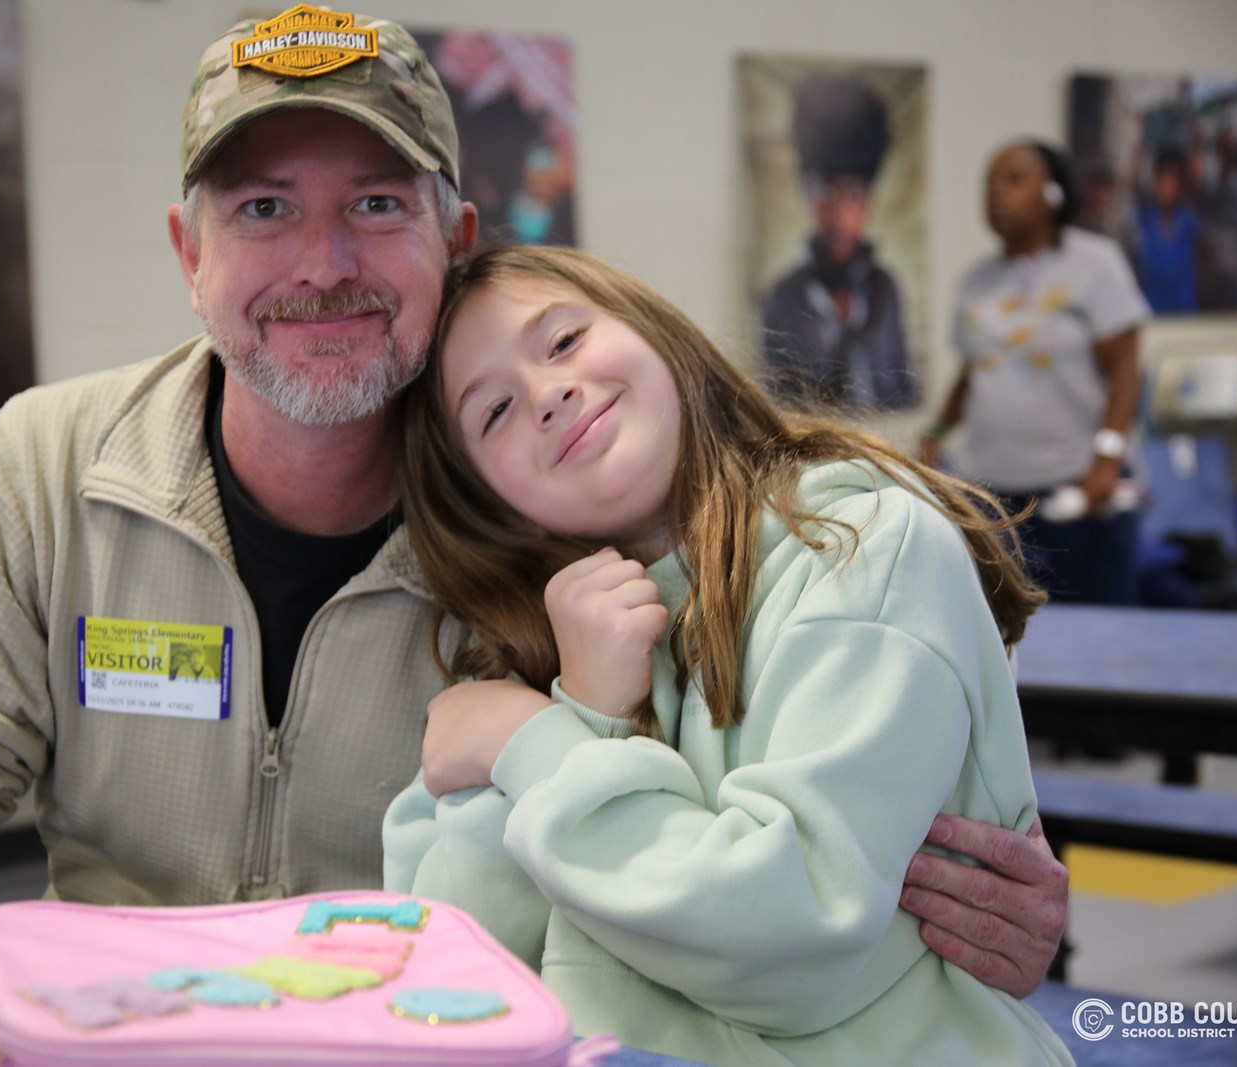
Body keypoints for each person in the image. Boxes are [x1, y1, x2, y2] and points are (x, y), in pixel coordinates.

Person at [0, 11, 1068, 1065]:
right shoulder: (44, 468)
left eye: (378, 203)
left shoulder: (551, 532)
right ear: (186, 251)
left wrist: (947, 896)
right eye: (262, 208)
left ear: (458, 236)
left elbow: (730, 846)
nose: (321, 260)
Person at [384, 243, 1071, 1065]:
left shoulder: (862, 546)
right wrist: (582, 709)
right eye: (492, 411)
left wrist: (536, 746)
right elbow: (443, 976)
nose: (548, 393)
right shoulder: (530, 646)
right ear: (488, 501)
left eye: (563, 341)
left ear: (651, 329)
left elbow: (792, 936)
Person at [922, 141, 1148, 604]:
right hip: (991, 496)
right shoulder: (975, 281)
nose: (996, 194)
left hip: (1076, 490)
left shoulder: (1094, 264)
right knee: (1005, 639)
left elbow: (1126, 368)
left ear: (1052, 194)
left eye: (1013, 180)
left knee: (1095, 642)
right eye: (989, 183)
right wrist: (935, 435)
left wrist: (1107, 459)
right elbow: (975, 372)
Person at [760, 73, 916, 410]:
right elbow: (775, 402)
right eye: (827, 192)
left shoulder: (884, 289)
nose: (842, 215)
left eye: (856, 193)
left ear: (871, 197)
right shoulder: (783, 298)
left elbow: (903, 391)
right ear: (807, 193)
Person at [1131, 147, 1201, 314]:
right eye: (1161, 183)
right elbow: (1131, 182)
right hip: (1150, 307)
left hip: (1184, 308)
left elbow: (1197, 184)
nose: (1165, 189)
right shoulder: (1143, 218)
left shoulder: (1187, 219)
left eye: (1170, 184)